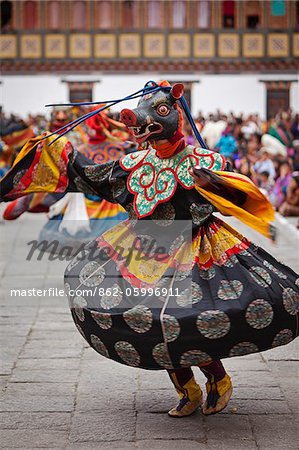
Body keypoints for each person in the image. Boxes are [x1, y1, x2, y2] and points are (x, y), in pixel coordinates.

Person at [0, 81, 298, 419]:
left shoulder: (204, 161)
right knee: (153, 321)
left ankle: (217, 378)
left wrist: (212, 185)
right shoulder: (135, 164)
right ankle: (186, 388)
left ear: (175, 114)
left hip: (195, 250)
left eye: (156, 113)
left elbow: (236, 198)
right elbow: (93, 178)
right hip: (144, 251)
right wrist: (63, 153)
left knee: (184, 320)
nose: (140, 124)